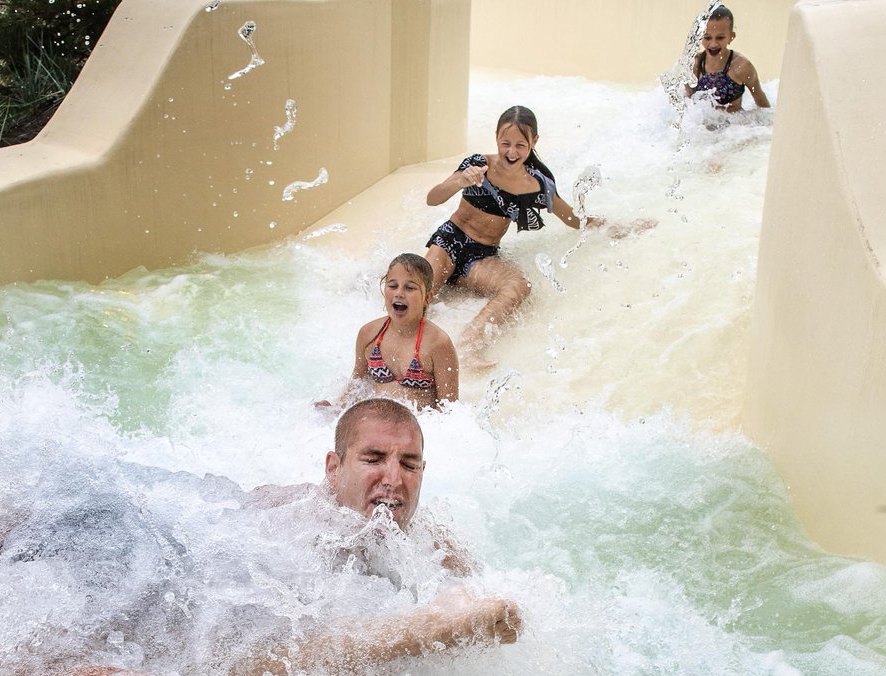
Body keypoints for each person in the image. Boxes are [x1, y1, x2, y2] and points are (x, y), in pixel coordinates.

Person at [4, 398, 521, 676]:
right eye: (374, 459)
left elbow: (494, 608)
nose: (394, 478)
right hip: (215, 627)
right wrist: (431, 628)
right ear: (332, 468)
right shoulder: (287, 521)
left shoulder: (433, 541)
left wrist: (501, 620)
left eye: (409, 464)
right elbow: (247, 654)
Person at [424, 105, 650, 363]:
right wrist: (459, 181)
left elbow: (572, 218)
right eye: (505, 143)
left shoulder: (537, 184)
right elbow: (433, 198)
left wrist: (615, 227)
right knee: (419, 295)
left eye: (520, 145)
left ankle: (470, 344)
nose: (511, 152)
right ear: (496, 137)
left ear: (534, 142)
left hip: (482, 257)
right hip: (449, 241)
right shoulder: (477, 165)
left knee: (518, 286)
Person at [330, 253, 459, 411]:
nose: (399, 293)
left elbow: (449, 408)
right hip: (379, 425)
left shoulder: (438, 343)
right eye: (392, 286)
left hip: (420, 429)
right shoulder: (369, 335)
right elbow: (357, 386)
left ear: (427, 297)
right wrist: (333, 410)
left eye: (409, 288)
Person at [685, 5, 771, 113]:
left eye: (720, 38)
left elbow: (761, 101)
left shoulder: (742, 67)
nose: (713, 44)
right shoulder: (693, 65)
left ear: (731, 36)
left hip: (734, 128)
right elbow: (687, 105)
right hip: (703, 128)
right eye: (707, 37)